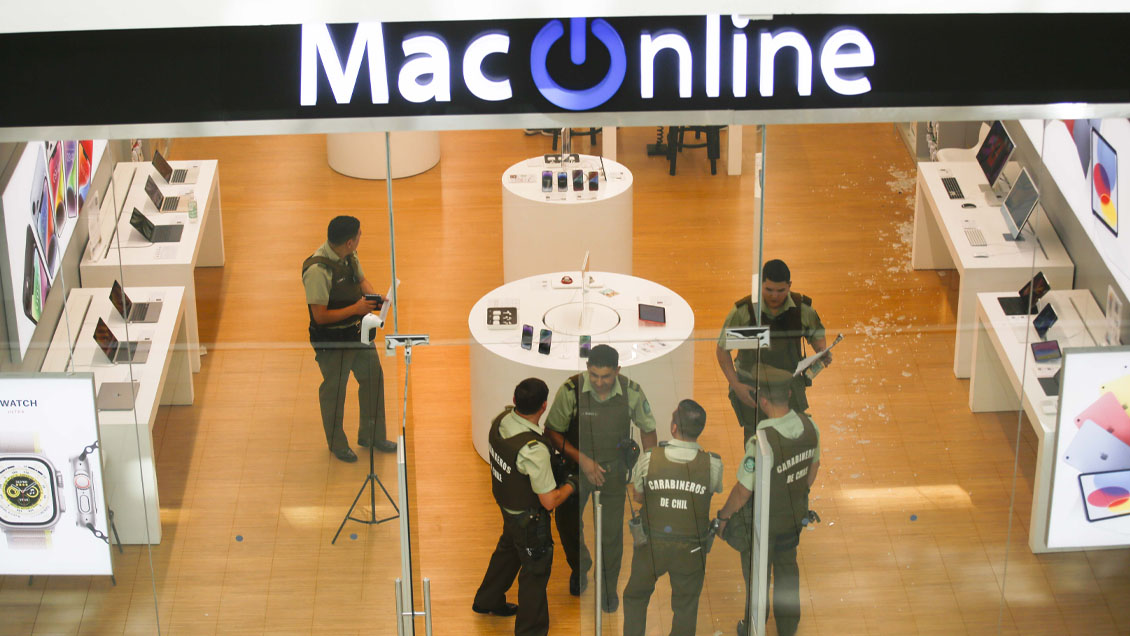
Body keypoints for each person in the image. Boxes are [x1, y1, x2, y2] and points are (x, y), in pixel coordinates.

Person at [545, 344, 658, 611]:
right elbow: (552, 432)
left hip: (612, 472)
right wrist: (583, 460)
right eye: (594, 375)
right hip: (576, 469)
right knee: (568, 524)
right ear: (587, 369)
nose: (599, 382)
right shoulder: (571, 391)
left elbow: (649, 430)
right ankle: (580, 565)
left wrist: (646, 474)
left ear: (617, 371)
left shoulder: (631, 392)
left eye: (606, 376)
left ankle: (608, 586)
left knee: (611, 536)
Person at [716, 367, 821, 636]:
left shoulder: (761, 441)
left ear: (762, 400)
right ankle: (788, 626)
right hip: (793, 516)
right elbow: (813, 468)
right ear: (788, 393)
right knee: (787, 571)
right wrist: (794, 492)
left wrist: (724, 517)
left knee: (757, 576)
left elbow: (743, 491)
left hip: (763, 523)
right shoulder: (811, 427)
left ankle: (754, 626)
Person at [473, 378, 578, 636]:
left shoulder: (501, 421)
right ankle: (531, 631)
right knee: (535, 572)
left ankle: (488, 600)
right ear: (543, 406)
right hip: (529, 518)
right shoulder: (534, 450)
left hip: (507, 505)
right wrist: (572, 484)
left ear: (515, 399)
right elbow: (549, 500)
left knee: (508, 550)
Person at [622, 399, 723, 636]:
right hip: (692, 549)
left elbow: (638, 496)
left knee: (635, 596)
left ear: (674, 427)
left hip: (651, 546)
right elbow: (713, 489)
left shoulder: (649, 458)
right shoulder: (712, 464)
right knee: (686, 606)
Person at [302, 215, 396, 463]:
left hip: (358, 334)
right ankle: (337, 443)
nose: (361, 238)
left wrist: (374, 297)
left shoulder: (348, 256)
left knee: (373, 379)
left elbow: (362, 280)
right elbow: (320, 316)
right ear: (350, 242)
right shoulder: (317, 271)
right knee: (334, 391)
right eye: (359, 235)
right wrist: (356, 308)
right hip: (333, 343)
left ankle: (372, 435)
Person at [716, 259, 830, 442]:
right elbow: (722, 351)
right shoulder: (745, 312)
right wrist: (736, 386)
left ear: (789, 286)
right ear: (760, 284)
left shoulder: (802, 310)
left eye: (780, 290)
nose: (774, 296)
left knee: (791, 442)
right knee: (755, 442)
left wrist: (822, 352)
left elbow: (818, 338)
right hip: (754, 388)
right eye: (769, 290)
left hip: (788, 389)